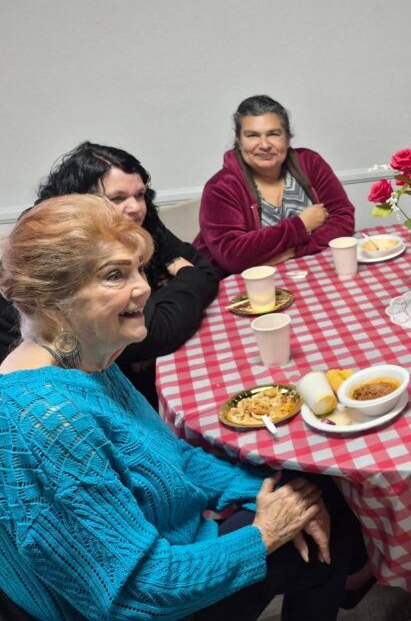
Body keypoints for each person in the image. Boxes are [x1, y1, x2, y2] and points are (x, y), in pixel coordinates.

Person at [0, 195, 370, 621]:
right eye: (115, 275)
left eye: (138, 269)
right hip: (159, 597)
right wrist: (266, 533)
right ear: (52, 299)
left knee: (307, 490)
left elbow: (172, 457)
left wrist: (265, 492)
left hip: (173, 550)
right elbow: (140, 591)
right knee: (331, 527)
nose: (143, 287)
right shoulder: (48, 420)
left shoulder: (84, 359)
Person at [0, 142, 219, 406]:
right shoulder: (50, 243)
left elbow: (206, 273)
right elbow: (159, 331)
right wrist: (186, 277)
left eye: (140, 194)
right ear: (80, 202)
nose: (135, 207)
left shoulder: (135, 222)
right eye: (117, 198)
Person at [194, 95, 355, 274]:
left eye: (273, 134)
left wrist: (292, 252)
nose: (264, 145)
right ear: (239, 141)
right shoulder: (220, 187)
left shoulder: (310, 163)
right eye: (252, 135)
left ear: (287, 138)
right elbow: (233, 256)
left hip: (301, 273)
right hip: (232, 283)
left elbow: (344, 219)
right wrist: (302, 225)